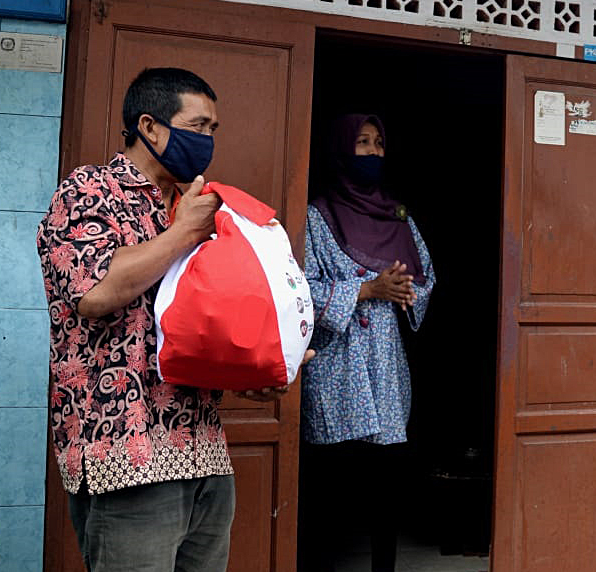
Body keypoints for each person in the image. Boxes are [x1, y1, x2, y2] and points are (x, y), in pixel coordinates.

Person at [37, 67, 307, 572]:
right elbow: (93, 292)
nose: (208, 141)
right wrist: (184, 234)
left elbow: (200, 331)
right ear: (151, 127)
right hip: (126, 454)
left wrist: (253, 373)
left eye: (213, 130)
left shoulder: (192, 208)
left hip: (202, 452)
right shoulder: (88, 194)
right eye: (199, 126)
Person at [298, 114, 436, 572]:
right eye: (363, 142)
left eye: (379, 143)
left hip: (384, 359)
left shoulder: (399, 216)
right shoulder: (318, 214)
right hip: (338, 363)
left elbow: (425, 276)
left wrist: (405, 290)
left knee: (385, 477)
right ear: (342, 149)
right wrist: (364, 290)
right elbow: (299, 288)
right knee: (333, 473)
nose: (374, 152)